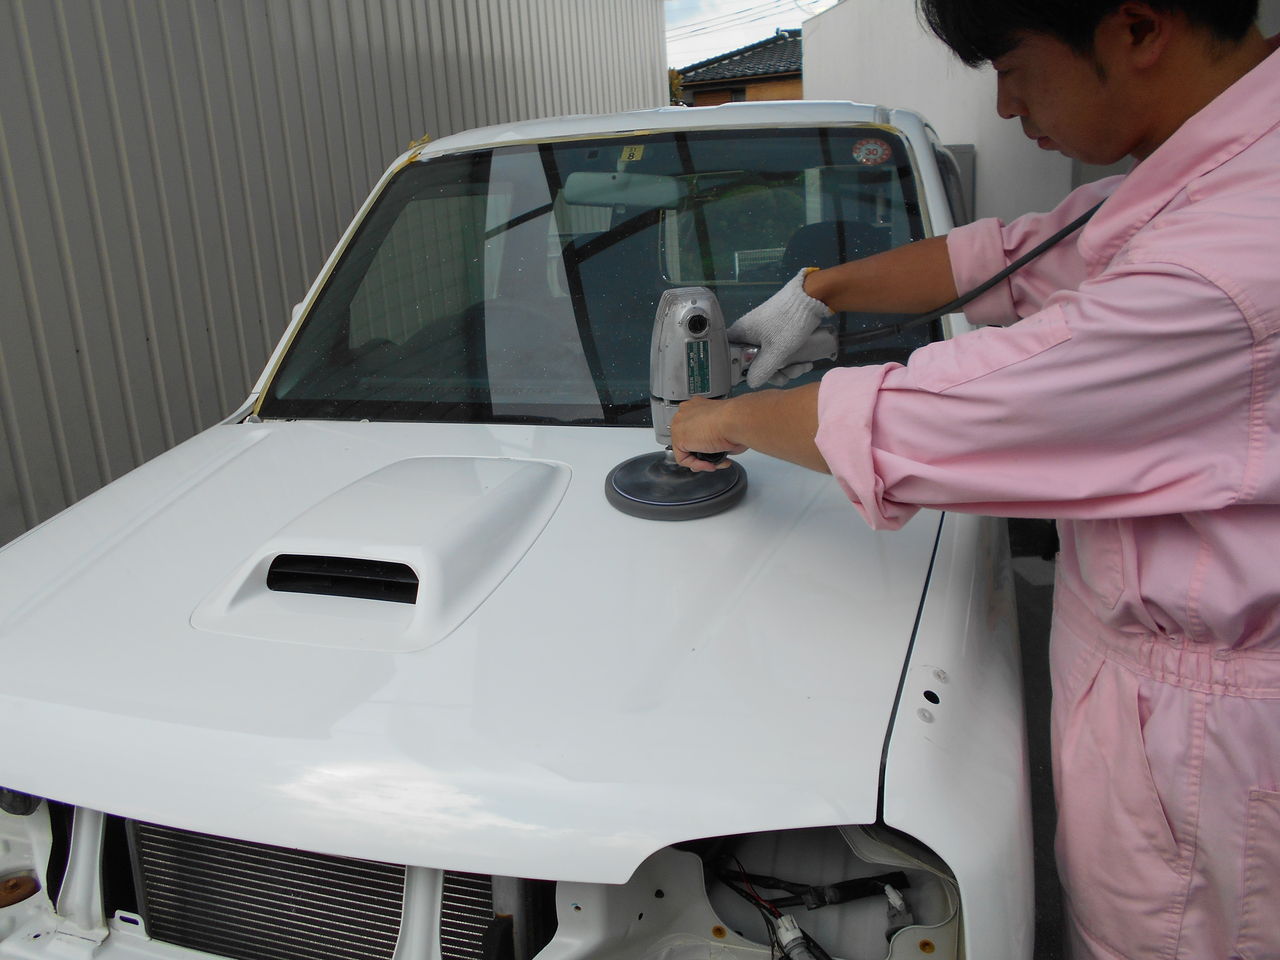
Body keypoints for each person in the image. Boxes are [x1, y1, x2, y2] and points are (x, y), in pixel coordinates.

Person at [670, 2, 1280, 958]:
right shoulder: (1202, 177)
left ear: (1135, 28)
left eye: (1012, 65)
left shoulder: (1233, 258)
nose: (1004, 106)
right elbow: (1011, 258)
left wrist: (722, 417)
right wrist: (818, 291)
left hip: (1212, 760)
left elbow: (937, 415)